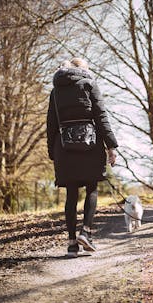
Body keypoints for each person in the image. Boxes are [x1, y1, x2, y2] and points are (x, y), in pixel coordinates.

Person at [47, 57, 118, 257]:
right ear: (83, 69)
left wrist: (53, 152)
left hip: (64, 148)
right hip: (90, 145)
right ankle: (85, 232)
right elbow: (101, 116)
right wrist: (111, 146)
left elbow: (51, 123)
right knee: (91, 188)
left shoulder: (56, 91)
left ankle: (71, 243)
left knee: (71, 194)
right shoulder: (89, 84)